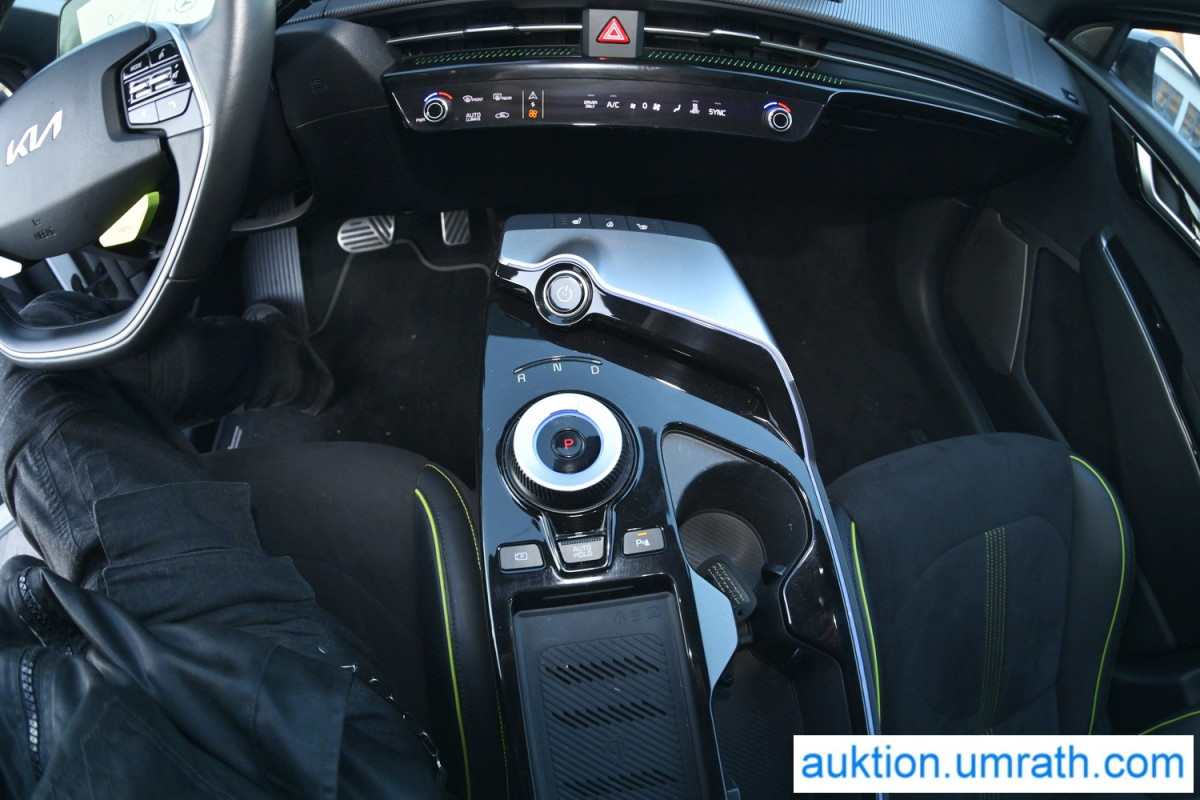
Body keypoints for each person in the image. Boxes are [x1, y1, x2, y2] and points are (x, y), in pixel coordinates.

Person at [0, 292, 446, 798]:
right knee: (39, 359)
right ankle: (285, 362)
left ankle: (287, 368)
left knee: (41, 355)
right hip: (273, 749)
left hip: (125, 699)